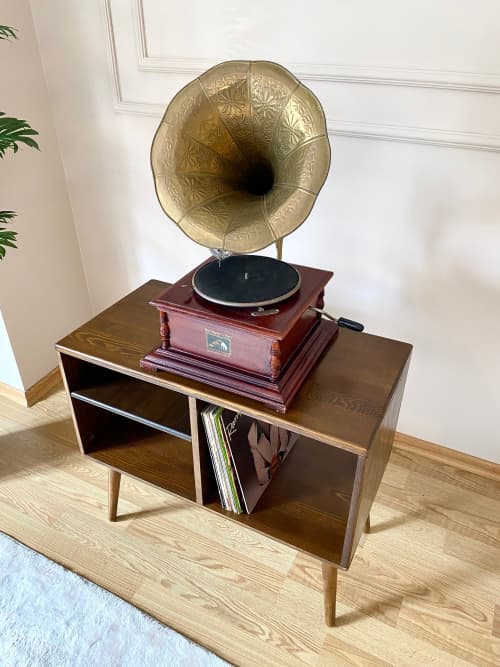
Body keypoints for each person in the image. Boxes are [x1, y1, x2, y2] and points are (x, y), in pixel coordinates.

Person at [247, 421, 294, 485]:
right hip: (281, 479)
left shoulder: (277, 414)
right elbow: (261, 477)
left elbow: (286, 439)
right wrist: (270, 471)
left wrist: (279, 456)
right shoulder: (252, 435)